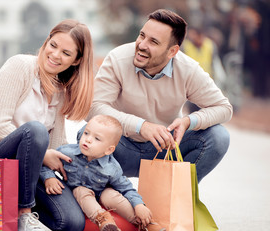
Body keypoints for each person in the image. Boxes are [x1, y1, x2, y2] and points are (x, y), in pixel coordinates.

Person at [0, 19, 94, 231]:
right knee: (35, 130)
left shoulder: (59, 88)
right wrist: (44, 154)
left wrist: (83, 174)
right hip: (0, 156)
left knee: (72, 224)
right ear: (46, 42)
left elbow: (57, 143)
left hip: (30, 170)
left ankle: (20, 208)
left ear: (77, 60)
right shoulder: (20, 66)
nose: (55, 55)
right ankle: (23, 213)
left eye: (66, 53)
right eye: (53, 45)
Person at [84, 9, 233, 183]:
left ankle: (174, 195)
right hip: (120, 146)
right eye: (142, 35)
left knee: (218, 137)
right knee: (86, 135)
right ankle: (104, 198)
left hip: (165, 149)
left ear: (172, 51)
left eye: (153, 41)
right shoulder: (118, 58)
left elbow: (224, 108)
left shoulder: (188, 69)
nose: (141, 44)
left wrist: (188, 121)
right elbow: (93, 108)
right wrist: (142, 126)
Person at [40, 115, 166, 231]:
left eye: (97, 138)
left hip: (101, 194)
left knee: (111, 195)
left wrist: (139, 205)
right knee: (81, 190)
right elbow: (45, 163)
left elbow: (126, 188)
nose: (88, 139)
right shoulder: (67, 152)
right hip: (79, 196)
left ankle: (144, 224)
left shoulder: (112, 167)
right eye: (86, 133)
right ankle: (103, 220)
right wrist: (49, 178)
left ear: (109, 150)